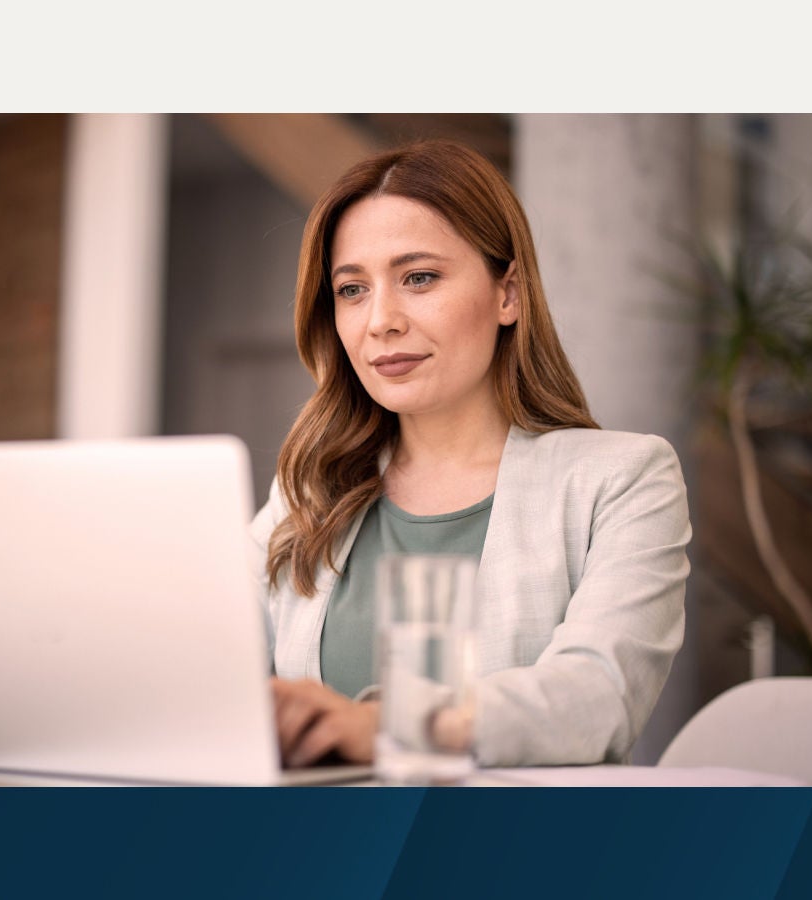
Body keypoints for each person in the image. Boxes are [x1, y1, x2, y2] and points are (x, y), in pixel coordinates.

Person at [254, 139, 691, 769]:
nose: (380, 320)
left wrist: (385, 726)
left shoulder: (623, 479)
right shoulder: (310, 490)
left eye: (419, 278)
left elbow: (599, 695)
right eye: (351, 289)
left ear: (507, 293)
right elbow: (207, 655)